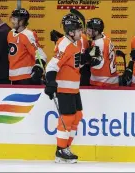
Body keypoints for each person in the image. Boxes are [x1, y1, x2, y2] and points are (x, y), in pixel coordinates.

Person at [44, 14, 84, 164]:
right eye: (79, 30)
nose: (82, 32)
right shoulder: (64, 44)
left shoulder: (76, 43)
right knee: (67, 118)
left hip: (74, 88)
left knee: (78, 115)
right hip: (64, 88)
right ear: (71, 32)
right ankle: (60, 151)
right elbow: (52, 66)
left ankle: (65, 148)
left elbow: (74, 62)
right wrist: (50, 82)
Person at [7, 8, 47, 85]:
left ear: (21, 21)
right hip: (13, 77)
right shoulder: (10, 34)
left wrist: (38, 68)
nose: (12, 21)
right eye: (12, 18)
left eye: (14, 19)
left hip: (26, 77)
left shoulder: (28, 35)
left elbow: (40, 54)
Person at [50, 14, 90, 86]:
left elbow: (76, 58)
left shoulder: (80, 38)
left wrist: (58, 41)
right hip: (75, 73)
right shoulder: (72, 37)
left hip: (80, 73)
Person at [84, 18, 119, 86]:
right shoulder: (104, 37)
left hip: (103, 82)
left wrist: (87, 60)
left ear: (96, 31)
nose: (87, 32)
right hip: (111, 79)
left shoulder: (99, 43)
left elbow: (98, 65)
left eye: (89, 30)